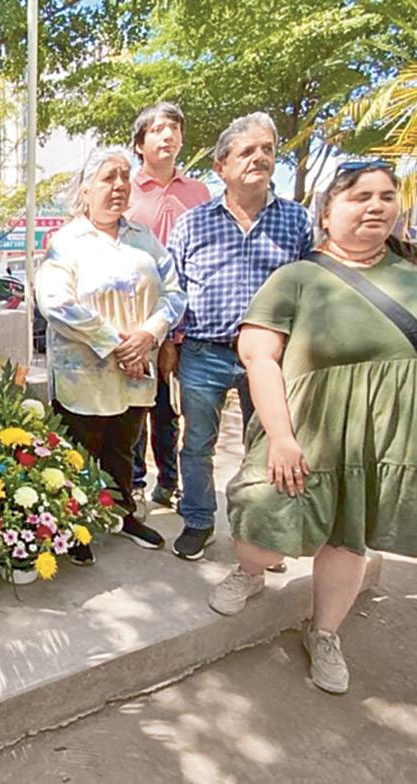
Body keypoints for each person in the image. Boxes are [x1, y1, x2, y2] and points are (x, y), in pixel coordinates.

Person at [209, 161, 416, 695]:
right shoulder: (297, 278)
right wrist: (280, 436)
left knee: (349, 537)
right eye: (360, 196)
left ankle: (324, 633)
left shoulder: (411, 275)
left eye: (386, 196)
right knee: (262, 524)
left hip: (377, 437)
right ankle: (251, 572)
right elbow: (258, 357)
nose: (376, 206)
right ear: (326, 213)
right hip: (303, 429)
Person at [167, 112, 313, 561]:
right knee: (196, 444)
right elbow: (174, 290)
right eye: (247, 151)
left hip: (271, 360)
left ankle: (260, 534)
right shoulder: (193, 224)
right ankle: (198, 522)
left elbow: (311, 290)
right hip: (203, 352)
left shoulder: (297, 220)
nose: (260, 158)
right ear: (221, 167)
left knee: (267, 444)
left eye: (267, 149)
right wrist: (169, 345)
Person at [36, 146, 187, 565]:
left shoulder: (144, 239)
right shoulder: (66, 242)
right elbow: (55, 302)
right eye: (108, 177)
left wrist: (148, 334)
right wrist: (116, 343)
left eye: (124, 176)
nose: (119, 185)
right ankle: (76, 526)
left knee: (124, 446)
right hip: (84, 375)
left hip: (136, 372)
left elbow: (175, 293)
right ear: (86, 190)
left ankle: (122, 514)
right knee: (79, 452)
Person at [124, 102, 211, 515]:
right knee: (138, 404)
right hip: (135, 321)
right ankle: (135, 483)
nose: (168, 135)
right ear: (139, 143)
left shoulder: (199, 193)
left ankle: (169, 483)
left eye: (174, 128)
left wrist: (174, 335)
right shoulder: (124, 190)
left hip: (185, 320)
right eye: (158, 129)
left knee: (170, 408)